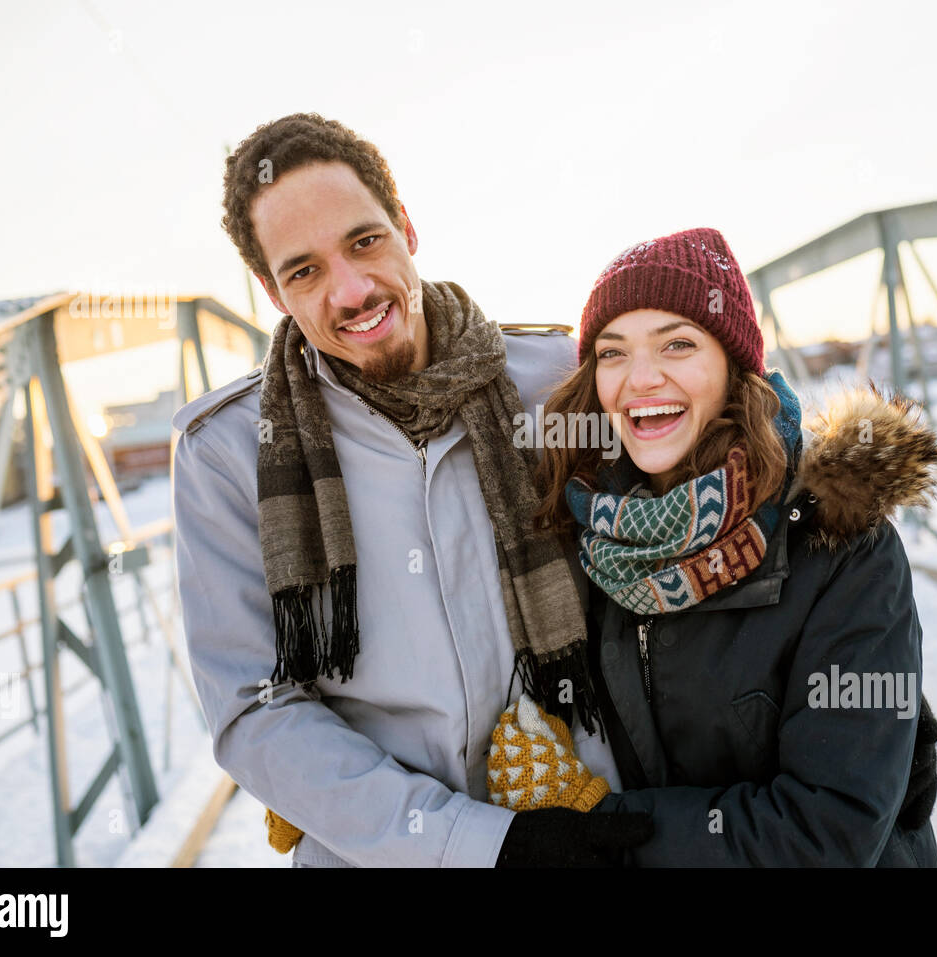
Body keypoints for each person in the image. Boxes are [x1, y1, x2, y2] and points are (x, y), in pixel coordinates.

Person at [171, 112, 652, 867]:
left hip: (588, 832)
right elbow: (255, 710)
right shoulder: (228, 455)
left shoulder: (554, 380)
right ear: (272, 291)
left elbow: (707, 500)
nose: (353, 290)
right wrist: (479, 845)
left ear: (407, 226)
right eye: (305, 270)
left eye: (365, 241)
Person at [533, 227, 937, 866]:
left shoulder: (843, 548)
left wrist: (602, 828)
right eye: (612, 353)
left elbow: (826, 834)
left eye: (677, 343)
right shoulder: (591, 539)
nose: (641, 379)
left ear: (733, 364)